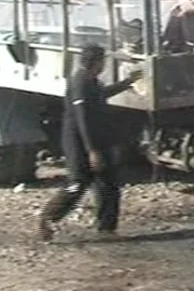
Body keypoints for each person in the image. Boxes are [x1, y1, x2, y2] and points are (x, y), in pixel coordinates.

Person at [37, 44, 143, 241]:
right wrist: (92, 150)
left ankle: (107, 228)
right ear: (96, 62)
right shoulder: (80, 82)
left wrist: (126, 83)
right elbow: (82, 118)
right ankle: (48, 218)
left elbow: (101, 95)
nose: (104, 65)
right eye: (102, 60)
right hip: (79, 142)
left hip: (98, 139)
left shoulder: (92, 81)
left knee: (108, 183)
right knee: (78, 183)